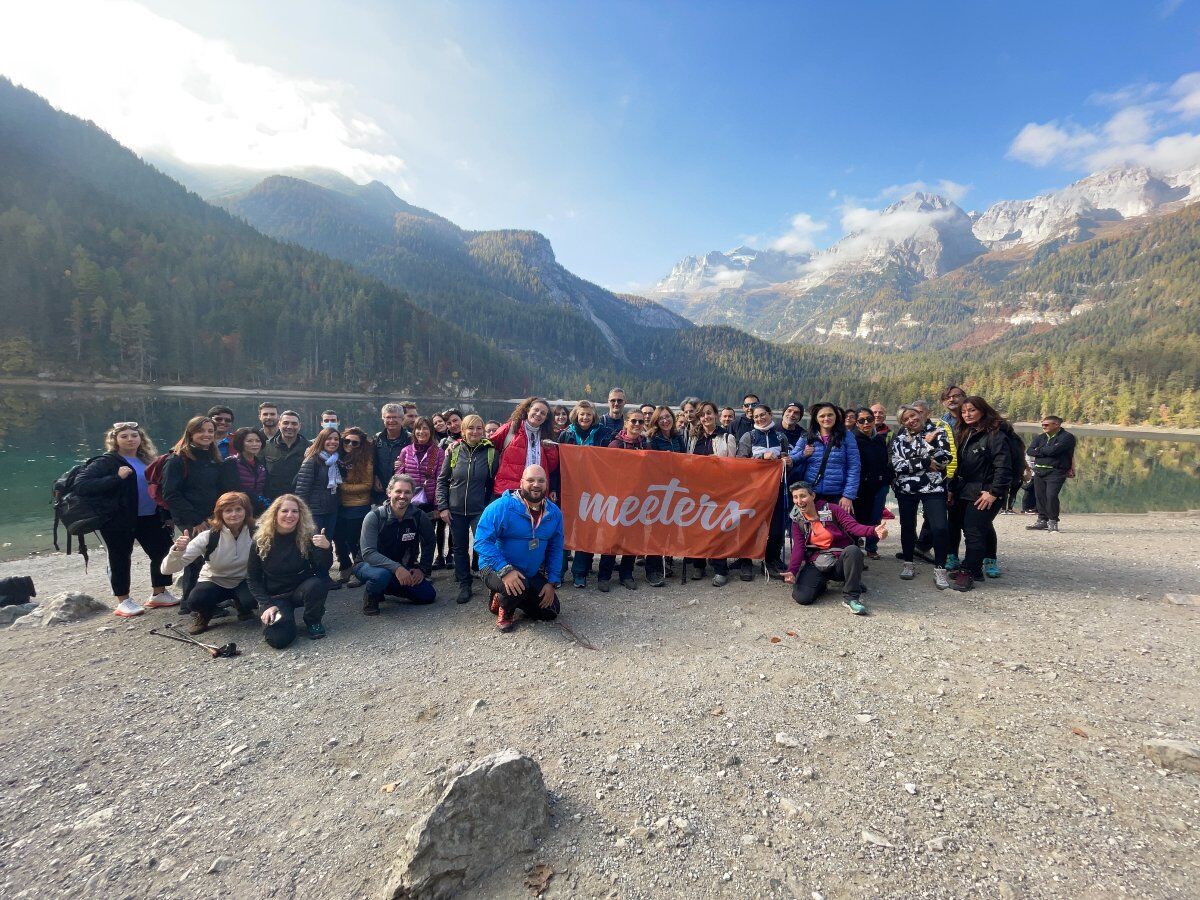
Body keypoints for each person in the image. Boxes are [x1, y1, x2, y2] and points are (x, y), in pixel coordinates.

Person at [75, 422, 175, 617]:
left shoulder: (147, 459)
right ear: (115, 440)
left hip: (150, 516)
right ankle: (123, 600)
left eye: (134, 435)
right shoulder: (106, 462)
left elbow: (159, 490)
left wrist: (167, 515)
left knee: (163, 552)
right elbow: (82, 485)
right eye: (124, 436)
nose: (130, 439)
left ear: (141, 439)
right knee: (120, 558)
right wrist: (116, 478)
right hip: (118, 519)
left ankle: (159, 593)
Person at [474, 465, 563, 633]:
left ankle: (502, 597)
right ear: (521, 482)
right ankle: (506, 611)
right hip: (494, 568)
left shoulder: (554, 513)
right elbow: (481, 541)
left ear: (546, 484)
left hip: (528, 572)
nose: (536, 484)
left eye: (541, 480)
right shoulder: (501, 507)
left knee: (550, 611)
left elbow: (556, 548)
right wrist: (505, 569)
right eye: (530, 480)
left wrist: (551, 581)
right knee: (519, 585)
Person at [783, 481, 886, 615]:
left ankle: (851, 597)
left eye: (803, 496)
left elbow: (853, 527)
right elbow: (799, 547)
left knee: (853, 550)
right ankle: (829, 582)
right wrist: (792, 571)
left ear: (813, 496)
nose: (799, 500)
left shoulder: (832, 509)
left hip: (839, 560)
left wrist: (874, 530)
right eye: (795, 497)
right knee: (802, 597)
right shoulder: (797, 520)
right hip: (817, 562)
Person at [162, 491, 256, 634]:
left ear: (246, 511)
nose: (234, 514)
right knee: (196, 600)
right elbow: (167, 570)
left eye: (238, 509)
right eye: (228, 510)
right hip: (214, 580)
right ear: (220, 514)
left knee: (253, 597)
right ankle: (204, 615)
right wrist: (177, 550)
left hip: (242, 580)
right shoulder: (209, 537)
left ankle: (243, 606)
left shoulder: (255, 533)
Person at [249, 494, 332, 647]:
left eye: (295, 511)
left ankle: (313, 620)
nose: (290, 515)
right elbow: (252, 579)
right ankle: (286, 622)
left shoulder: (307, 536)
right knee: (279, 640)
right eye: (284, 511)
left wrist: (326, 548)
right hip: (276, 596)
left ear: (300, 515)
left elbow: (323, 567)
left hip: (301, 590)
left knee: (317, 584)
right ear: (275, 513)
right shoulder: (261, 540)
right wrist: (266, 605)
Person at [949, 396, 1012, 592]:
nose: (967, 414)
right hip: (964, 490)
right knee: (964, 527)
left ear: (983, 411)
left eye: (972, 410)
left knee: (974, 531)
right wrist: (951, 488)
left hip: (985, 492)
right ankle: (974, 568)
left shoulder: (995, 435)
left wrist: (993, 492)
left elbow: (1003, 466)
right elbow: (957, 465)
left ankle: (968, 572)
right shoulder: (965, 432)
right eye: (964, 411)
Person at [163, 415, 225, 608]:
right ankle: (189, 603)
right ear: (190, 433)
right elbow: (170, 494)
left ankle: (207, 600)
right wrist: (195, 520)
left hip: (211, 515)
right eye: (201, 431)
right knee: (193, 558)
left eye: (210, 431)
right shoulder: (178, 459)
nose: (206, 435)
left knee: (210, 556)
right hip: (191, 518)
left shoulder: (211, 457)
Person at [890, 404, 953, 589]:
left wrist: (929, 445)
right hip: (907, 489)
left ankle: (940, 569)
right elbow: (897, 465)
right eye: (906, 419)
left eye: (913, 415)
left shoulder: (938, 432)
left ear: (921, 414)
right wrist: (926, 459)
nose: (911, 420)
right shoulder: (899, 438)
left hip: (933, 488)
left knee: (940, 527)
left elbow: (944, 459)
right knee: (908, 526)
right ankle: (908, 563)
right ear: (903, 422)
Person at [355, 474, 436, 614]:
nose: (402, 496)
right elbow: (368, 553)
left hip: (402, 567)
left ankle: (384, 587)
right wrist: (397, 569)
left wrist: (422, 569)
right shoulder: (374, 516)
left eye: (407, 492)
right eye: (398, 491)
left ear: (413, 495)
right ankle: (371, 597)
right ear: (389, 492)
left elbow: (429, 542)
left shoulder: (418, 516)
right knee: (381, 575)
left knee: (427, 595)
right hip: (367, 565)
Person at [437, 415, 497, 604]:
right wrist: (443, 507)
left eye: (479, 428)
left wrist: (490, 508)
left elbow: (494, 482)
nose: (475, 432)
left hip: (479, 509)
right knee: (460, 548)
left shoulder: (490, 452)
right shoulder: (454, 451)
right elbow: (442, 481)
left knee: (483, 545)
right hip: (455, 510)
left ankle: (490, 581)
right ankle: (465, 583)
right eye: (471, 428)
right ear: (463, 431)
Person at [596, 407, 652, 591]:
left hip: (638, 499)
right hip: (617, 498)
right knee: (612, 536)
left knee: (633, 537)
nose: (637, 424)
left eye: (640, 421)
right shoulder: (615, 445)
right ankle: (604, 575)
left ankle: (626, 574)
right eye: (633, 421)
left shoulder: (646, 445)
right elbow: (606, 472)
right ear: (626, 423)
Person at [736, 403, 792, 579]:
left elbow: (785, 463)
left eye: (762, 415)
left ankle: (771, 559)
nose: (759, 419)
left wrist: (788, 463)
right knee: (749, 525)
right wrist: (761, 457)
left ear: (770, 414)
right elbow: (740, 463)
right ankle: (746, 561)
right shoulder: (749, 436)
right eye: (756, 417)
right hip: (753, 489)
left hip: (776, 488)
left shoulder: (781, 437)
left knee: (776, 527)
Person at [685, 401, 737, 586]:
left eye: (709, 413)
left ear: (716, 414)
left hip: (719, 489)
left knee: (717, 529)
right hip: (697, 489)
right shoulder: (693, 438)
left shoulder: (727, 437)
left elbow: (734, 465)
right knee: (697, 527)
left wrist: (718, 461)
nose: (706, 417)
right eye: (702, 415)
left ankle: (720, 568)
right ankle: (699, 565)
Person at [788, 403, 861, 511]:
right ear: (816, 419)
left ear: (836, 417)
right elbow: (791, 460)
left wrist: (848, 496)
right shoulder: (807, 436)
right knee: (810, 527)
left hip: (837, 496)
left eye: (830, 415)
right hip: (810, 494)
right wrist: (803, 454)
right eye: (822, 416)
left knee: (835, 527)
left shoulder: (846, 436)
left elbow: (854, 467)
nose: (826, 418)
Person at [489, 398, 561, 498]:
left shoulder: (547, 436)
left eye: (543, 413)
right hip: (509, 492)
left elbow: (552, 467)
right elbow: (487, 444)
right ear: (528, 410)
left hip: (535, 493)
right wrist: (461, 441)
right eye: (536, 410)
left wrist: (549, 449)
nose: (538, 414)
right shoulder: (511, 428)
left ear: (546, 418)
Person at [395, 418, 445, 561]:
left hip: (429, 501)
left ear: (431, 431)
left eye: (425, 428)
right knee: (409, 535)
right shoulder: (406, 451)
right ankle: (411, 563)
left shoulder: (438, 453)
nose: (421, 432)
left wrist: (437, 505)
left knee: (427, 537)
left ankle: (425, 567)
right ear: (414, 431)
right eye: (418, 428)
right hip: (409, 501)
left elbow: (440, 480)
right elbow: (399, 475)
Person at [645, 405, 684, 580]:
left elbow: (685, 459)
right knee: (657, 528)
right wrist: (663, 460)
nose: (665, 420)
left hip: (675, 487)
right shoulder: (652, 438)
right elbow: (649, 464)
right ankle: (652, 566)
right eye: (661, 418)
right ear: (656, 421)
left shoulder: (678, 437)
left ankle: (667, 561)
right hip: (658, 489)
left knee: (672, 526)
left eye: (668, 417)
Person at [334, 426, 374, 588]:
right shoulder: (337, 457)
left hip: (358, 505)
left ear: (361, 444)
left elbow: (367, 485)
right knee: (339, 538)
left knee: (355, 541)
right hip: (339, 506)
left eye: (355, 443)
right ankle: (345, 566)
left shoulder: (365, 460)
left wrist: (342, 486)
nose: (350, 444)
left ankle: (359, 570)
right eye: (346, 441)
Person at [851, 407, 890, 561]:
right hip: (860, 486)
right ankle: (854, 548)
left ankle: (872, 548)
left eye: (869, 419)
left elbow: (885, 461)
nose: (866, 423)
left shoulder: (880, 439)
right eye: (861, 420)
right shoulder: (852, 439)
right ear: (856, 422)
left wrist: (887, 481)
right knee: (856, 518)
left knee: (875, 517)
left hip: (879, 485)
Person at [292, 427, 343, 543]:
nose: (333, 442)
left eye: (336, 439)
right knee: (314, 546)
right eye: (329, 438)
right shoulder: (312, 460)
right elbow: (302, 490)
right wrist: (302, 513)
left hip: (331, 510)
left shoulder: (335, 461)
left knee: (327, 544)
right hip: (314, 513)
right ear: (321, 440)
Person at [1026, 415, 1076, 532]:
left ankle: (1053, 521)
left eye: (1046, 425)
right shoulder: (1041, 437)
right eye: (1042, 425)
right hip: (1039, 471)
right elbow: (1029, 451)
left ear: (1056, 425)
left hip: (1056, 471)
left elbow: (1054, 451)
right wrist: (1045, 450)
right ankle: (1042, 520)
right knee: (1040, 496)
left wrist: (1039, 450)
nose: (1043, 427)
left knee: (1051, 496)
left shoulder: (1067, 437)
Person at [221, 427, 270, 515]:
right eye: (249, 441)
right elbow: (232, 489)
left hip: (260, 512)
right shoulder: (230, 463)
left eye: (258, 441)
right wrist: (258, 500)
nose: (255, 444)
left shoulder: (261, 464)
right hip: (236, 512)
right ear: (241, 443)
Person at [263, 411, 307, 501]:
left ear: (300, 426)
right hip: (272, 501)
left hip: (300, 500)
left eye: (294, 424)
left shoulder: (310, 447)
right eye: (286, 423)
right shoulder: (265, 447)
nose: (290, 427)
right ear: (279, 425)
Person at [373, 403, 412, 502]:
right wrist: (375, 476)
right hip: (380, 491)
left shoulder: (411, 439)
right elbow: (372, 461)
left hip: (403, 493)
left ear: (402, 419)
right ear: (383, 419)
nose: (391, 421)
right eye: (388, 417)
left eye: (395, 417)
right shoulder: (377, 439)